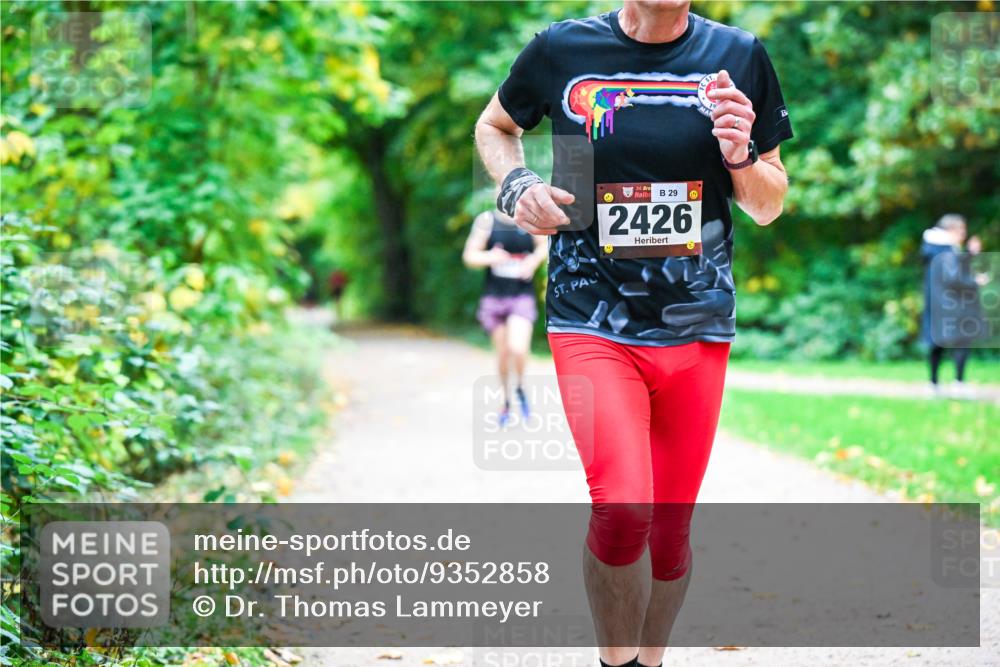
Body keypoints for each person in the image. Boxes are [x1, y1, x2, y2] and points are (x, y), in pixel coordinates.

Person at [475, 1, 792, 664]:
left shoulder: (738, 56)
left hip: (697, 322)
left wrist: (739, 155)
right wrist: (516, 184)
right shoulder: (563, 51)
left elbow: (767, 204)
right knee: (623, 509)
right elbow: (495, 125)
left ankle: (650, 660)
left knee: (670, 531)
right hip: (591, 315)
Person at [463, 209, 547, 425]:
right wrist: (490, 257)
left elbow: (544, 245)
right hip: (494, 298)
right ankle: (506, 399)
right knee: (503, 353)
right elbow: (470, 256)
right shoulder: (486, 220)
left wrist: (533, 262)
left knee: (518, 348)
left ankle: (519, 386)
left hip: (521, 296)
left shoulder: (530, 218)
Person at [920, 213, 985, 398]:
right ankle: (958, 384)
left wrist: (970, 255)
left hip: (937, 303)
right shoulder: (945, 248)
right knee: (961, 341)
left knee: (937, 343)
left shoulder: (935, 247)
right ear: (951, 229)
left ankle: (933, 384)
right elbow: (953, 277)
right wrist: (975, 281)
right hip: (953, 304)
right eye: (961, 229)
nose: (964, 233)